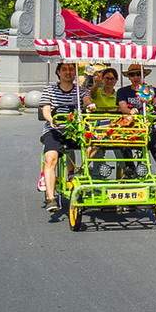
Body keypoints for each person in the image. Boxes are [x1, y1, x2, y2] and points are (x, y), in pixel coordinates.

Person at [38, 60, 91, 211]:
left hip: (76, 129)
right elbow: (46, 109)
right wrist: (51, 119)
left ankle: (79, 172)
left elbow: (87, 100)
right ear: (58, 72)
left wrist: (89, 104)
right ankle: (50, 197)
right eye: (65, 69)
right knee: (51, 158)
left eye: (71, 69)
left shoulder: (81, 90)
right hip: (55, 129)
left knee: (96, 144)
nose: (68, 72)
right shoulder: (49, 89)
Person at [115, 63, 156, 182]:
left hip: (147, 130)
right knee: (124, 147)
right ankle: (130, 170)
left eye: (138, 74)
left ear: (143, 75)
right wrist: (130, 111)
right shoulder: (123, 91)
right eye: (132, 75)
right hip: (129, 129)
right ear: (129, 77)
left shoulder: (152, 90)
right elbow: (122, 107)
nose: (136, 77)